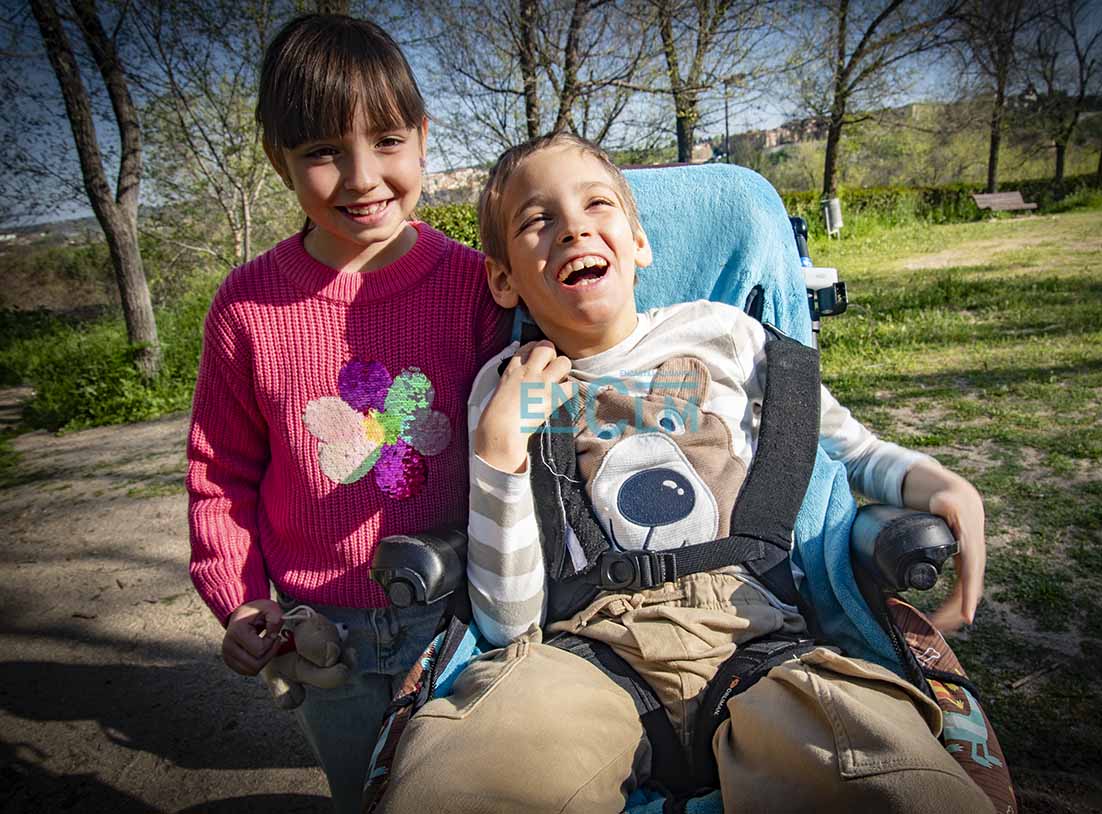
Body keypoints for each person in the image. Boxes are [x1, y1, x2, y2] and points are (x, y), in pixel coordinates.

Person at [376, 133, 991, 813]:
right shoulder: (510, 388)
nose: (573, 226)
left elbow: (846, 450)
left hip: (760, 637)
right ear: (503, 278)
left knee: (900, 786)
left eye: (595, 205)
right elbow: (509, 623)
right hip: (585, 651)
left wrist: (939, 483)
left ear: (638, 243)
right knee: (450, 786)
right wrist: (498, 451)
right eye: (536, 219)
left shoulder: (726, 336)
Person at [184, 14, 510, 814]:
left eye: (388, 141)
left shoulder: (476, 284)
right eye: (323, 152)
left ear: (424, 138)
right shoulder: (247, 306)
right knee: (367, 795)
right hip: (322, 630)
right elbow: (220, 471)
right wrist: (241, 595)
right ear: (278, 160)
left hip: (466, 611)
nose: (363, 177)